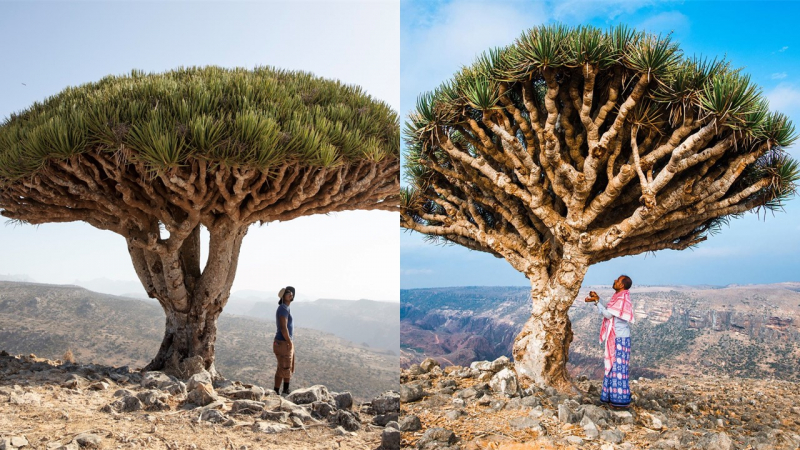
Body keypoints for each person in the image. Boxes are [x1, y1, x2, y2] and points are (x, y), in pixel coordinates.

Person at [585, 275, 635, 409]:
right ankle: (610, 398)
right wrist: (597, 299)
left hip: (620, 339)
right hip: (617, 337)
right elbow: (609, 309)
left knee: (618, 369)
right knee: (612, 367)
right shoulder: (618, 297)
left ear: (622, 285)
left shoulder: (622, 298)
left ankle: (620, 401)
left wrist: (597, 302)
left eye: (618, 280)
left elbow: (608, 314)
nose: (614, 281)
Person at [273, 286, 295, 396]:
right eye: (287, 293)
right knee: (284, 367)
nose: (290, 294)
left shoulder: (285, 308)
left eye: (291, 293)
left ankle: (281, 391)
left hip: (283, 341)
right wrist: (289, 342)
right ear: (283, 297)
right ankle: (281, 391)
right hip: (283, 342)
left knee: (285, 366)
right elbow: (283, 327)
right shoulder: (283, 308)